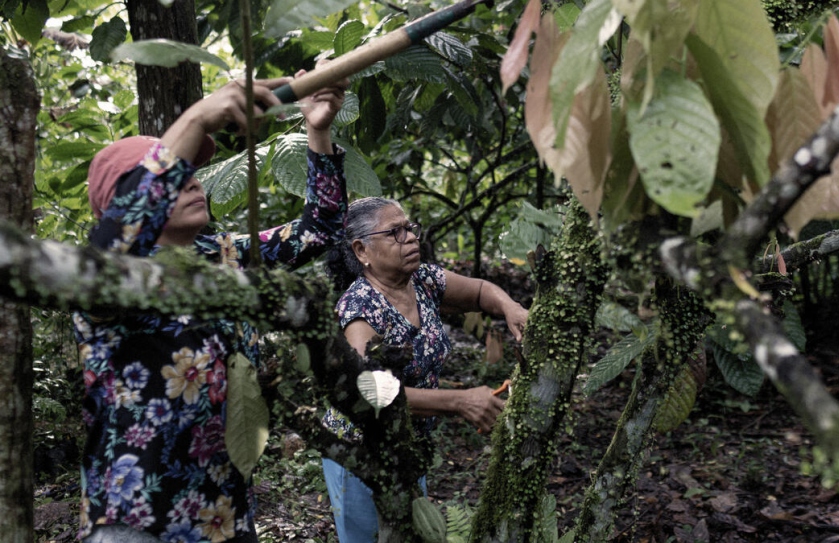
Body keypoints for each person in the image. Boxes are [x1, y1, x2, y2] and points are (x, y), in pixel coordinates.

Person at [73, 63, 350, 543]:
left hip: (224, 509)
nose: (192, 181)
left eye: (191, 172)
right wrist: (198, 118)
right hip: (136, 516)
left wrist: (317, 129)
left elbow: (320, 228)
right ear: (127, 199)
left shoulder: (223, 255)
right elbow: (114, 246)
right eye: (174, 175)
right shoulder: (106, 274)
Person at [322, 197, 529, 542]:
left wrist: (510, 307)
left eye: (410, 229)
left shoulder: (423, 281)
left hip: (409, 443)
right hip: (360, 451)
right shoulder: (360, 307)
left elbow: (479, 292)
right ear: (362, 250)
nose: (411, 238)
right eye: (395, 232)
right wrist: (458, 401)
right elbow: (367, 391)